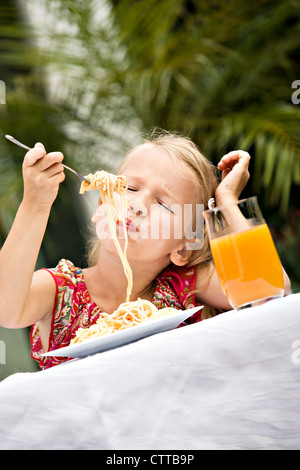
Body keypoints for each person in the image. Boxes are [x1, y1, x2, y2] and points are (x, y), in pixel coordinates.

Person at [0, 130, 290, 369]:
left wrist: (225, 201)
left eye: (164, 204)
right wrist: (36, 203)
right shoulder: (61, 291)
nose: (137, 207)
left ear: (183, 248)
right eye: (130, 189)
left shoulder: (183, 286)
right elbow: (6, 310)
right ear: (101, 207)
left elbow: (269, 288)